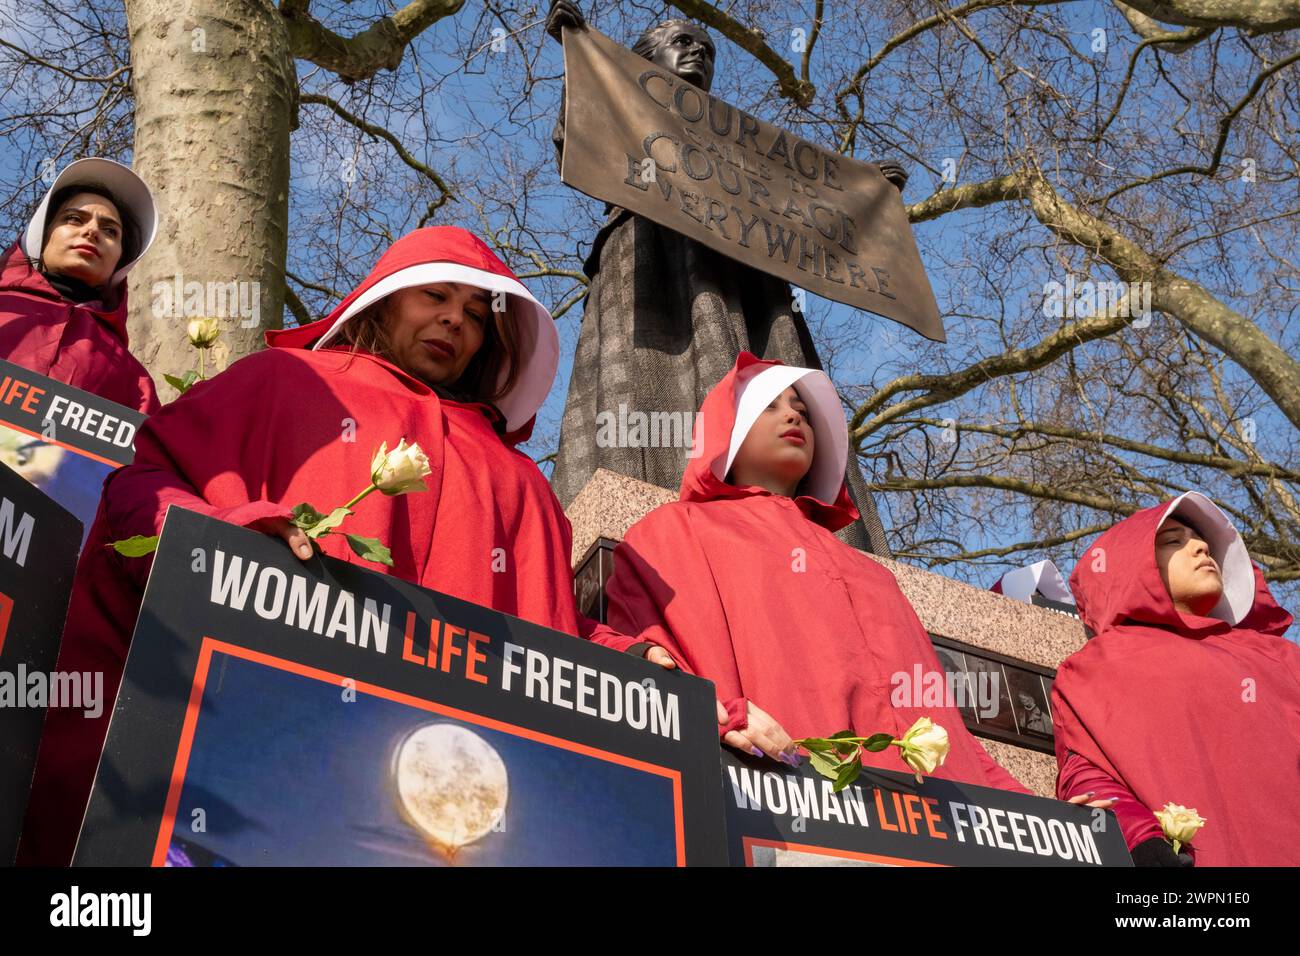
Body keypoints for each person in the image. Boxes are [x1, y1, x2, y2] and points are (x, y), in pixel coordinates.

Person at [18, 225, 577, 865]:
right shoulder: (282, 381)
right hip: (255, 776)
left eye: (476, 315)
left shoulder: (522, 479)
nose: (454, 320)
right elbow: (142, 487)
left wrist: (640, 660)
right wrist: (229, 539)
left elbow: (557, 624)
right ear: (387, 299)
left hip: (440, 818)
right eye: (436, 297)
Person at [542, 2, 903, 555]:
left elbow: (809, 213)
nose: (697, 53)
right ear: (644, 60)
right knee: (648, 383)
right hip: (649, 256)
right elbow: (580, 141)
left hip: (748, 281)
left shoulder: (748, 153)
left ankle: (785, 502)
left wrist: (866, 198)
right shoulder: (624, 107)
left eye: (707, 50)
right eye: (682, 41)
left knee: (774, 372)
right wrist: (579, 61)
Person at [588, 351, 1034, 792]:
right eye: (770, 406)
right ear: (726, 430)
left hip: (931, 829)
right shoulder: (672, 532)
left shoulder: (874, 576)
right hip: (776, 809)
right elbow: (651, 666)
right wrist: (720, 712)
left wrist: (1051, 819)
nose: (794, 417)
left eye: (802, 410)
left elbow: (947, 731)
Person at [1053, 492, 1300, 866]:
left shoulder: (1284, 659)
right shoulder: (1095, 668)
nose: (1201, 548)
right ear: (1131, 565)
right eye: (1174, 541)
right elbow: (1088, 774)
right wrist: (1139, 841)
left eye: (1203, 542)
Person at [0, 158, 160, 413]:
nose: (92, 231)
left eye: (110, 231)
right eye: (74, 219)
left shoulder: (134, 380)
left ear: (121, 259)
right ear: (44, 233)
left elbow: (143, 451)